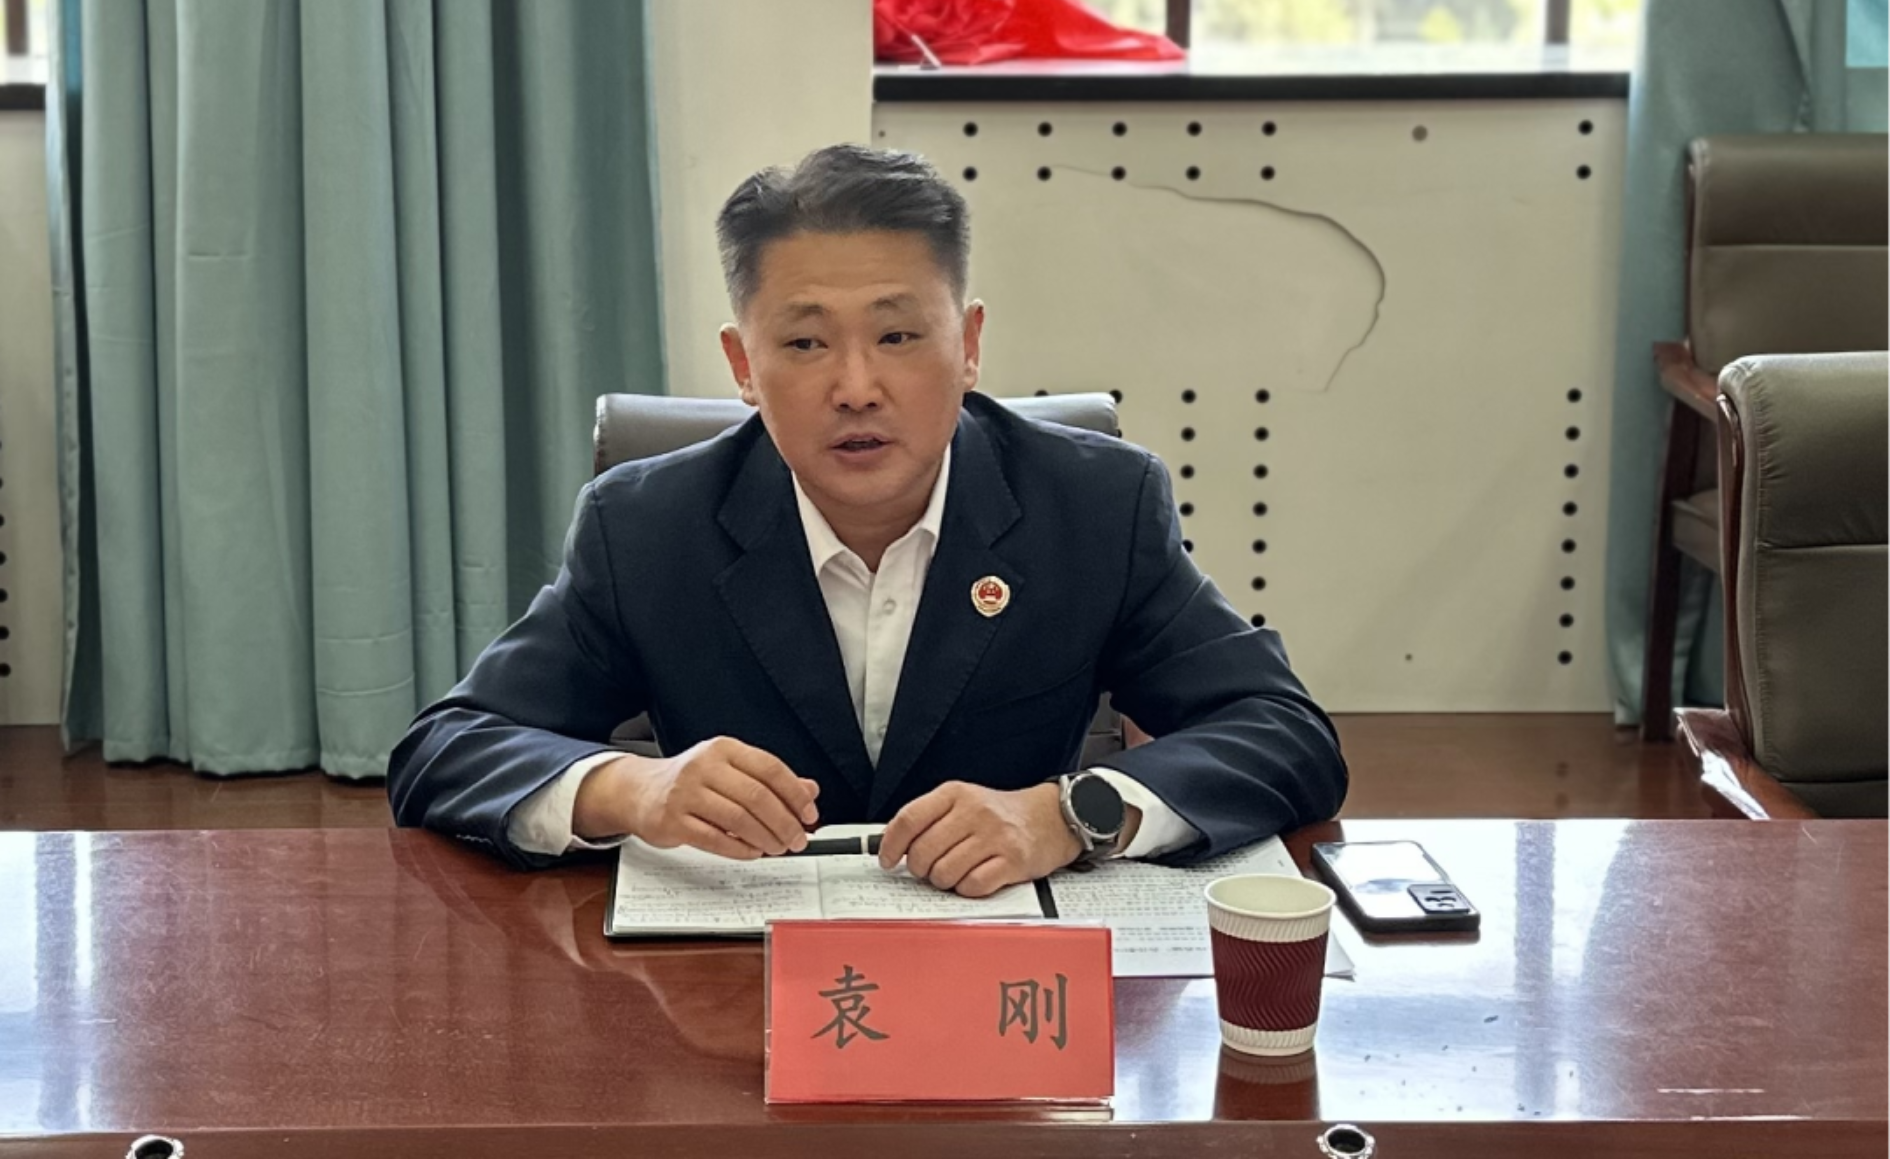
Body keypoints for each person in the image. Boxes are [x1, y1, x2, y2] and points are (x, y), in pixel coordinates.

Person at [387, 144, 1347, 893]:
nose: (856, 387)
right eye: (805, 343)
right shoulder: (646, 527)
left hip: (999, 978)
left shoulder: (1094, 506)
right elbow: (447, 750)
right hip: (734, 990)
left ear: (968, 344)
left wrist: (1071, 814)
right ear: (742, 364)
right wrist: (633, 788)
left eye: (898, 335)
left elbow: (1281, 732)